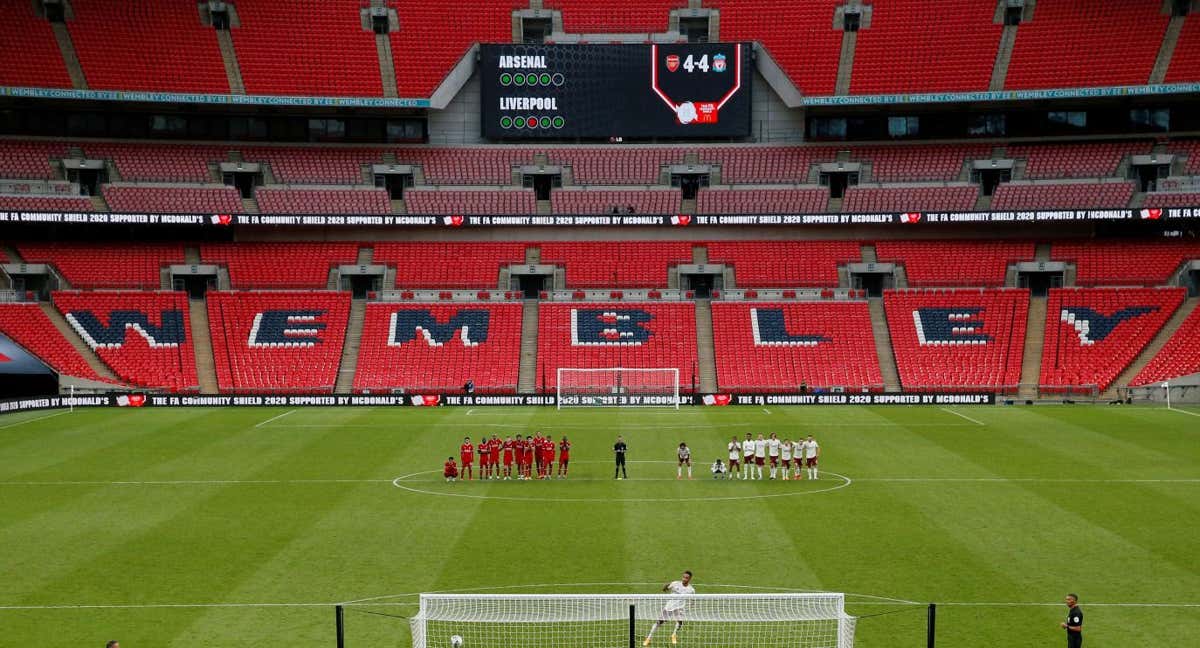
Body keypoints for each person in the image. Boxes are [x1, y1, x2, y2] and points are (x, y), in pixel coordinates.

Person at [643, 570, 694, 646]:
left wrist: (691, 605)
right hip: (669, 607)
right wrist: (665, 587)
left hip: (679, 608)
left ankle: (673, 635)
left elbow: (693, 600)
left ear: (689, 579)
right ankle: (648, 638)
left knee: (680, 622)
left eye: (686, 578)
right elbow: (665, 589)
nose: (684, 579)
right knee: (659, 622)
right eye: (683, 577)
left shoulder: (691, 590)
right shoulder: (675, 583)